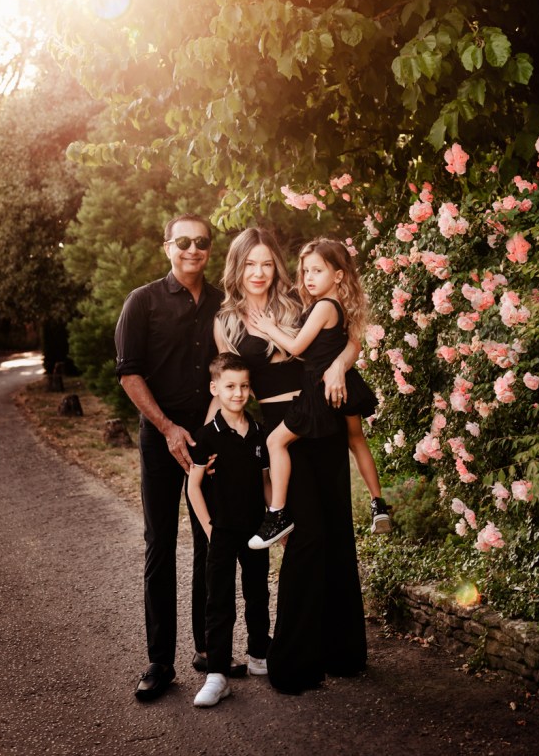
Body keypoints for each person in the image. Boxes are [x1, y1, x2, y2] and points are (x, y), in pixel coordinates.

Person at [213, 227, 367, 694]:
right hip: (283, 424)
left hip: (322, 415)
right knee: (307, 537)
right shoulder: (228, 321)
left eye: (266, 264)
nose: (259, 273)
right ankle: (295, 662)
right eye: (250, 264)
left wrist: (342, 363)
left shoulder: (297, 302)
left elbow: (348, 335)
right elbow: (228, 386)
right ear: (237, 268)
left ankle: (343, 653)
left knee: (338, 528)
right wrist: (216, 439)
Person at [115, 213, 232, 702]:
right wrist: (167, 429)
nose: (192, 249)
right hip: (162, 439)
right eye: (183, 241)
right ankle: (159, 662)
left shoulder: (225, 303)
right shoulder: (141, 303)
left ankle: (209, 652)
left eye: (201, 242)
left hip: (211, 436)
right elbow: (129, 374)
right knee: (160, 545)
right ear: (167, 246)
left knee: (211, 541)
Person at [248, 237, 391, 548]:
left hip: (318, 391)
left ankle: (278, 514)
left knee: (275, 440)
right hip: (345, 385)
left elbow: (298, 347)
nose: (309, 278)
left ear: (338, 275)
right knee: (356, 440)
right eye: (305, 271)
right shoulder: (341, 305)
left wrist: (269, 327)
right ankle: (378, 502)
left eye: (317, 271)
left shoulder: (323, 306)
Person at [188, 353, 272, 708]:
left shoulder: (258, 431)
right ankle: (217, 674)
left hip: (255, 528)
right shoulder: (207, 437)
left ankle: (258, 655)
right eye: (230, 387)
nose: (238, 393)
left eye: (244, 386)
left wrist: (273, 518)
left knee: (258, 593)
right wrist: (209, 528)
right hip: (221, 530)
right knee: (219, 601)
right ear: (215, 388)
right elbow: (193, 487)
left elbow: (266, 482)